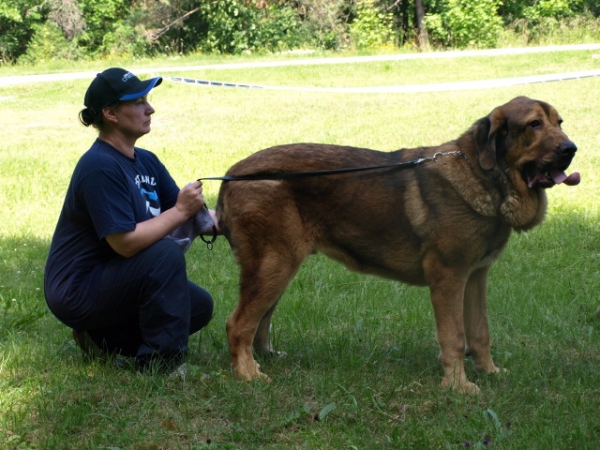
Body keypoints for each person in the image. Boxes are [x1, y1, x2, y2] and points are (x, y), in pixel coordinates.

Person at [44, 67, 216, 375]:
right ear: (110, 113)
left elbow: (195, 214)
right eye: (138, 102)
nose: (150, 108)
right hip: (78, 288)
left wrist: (246, 218)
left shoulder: (146, 161)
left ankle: (102, 339)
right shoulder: (99, 167)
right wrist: (179, 211)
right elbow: (125, 244)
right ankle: (162, 364)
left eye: (147, 100)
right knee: (164, 254)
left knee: (198, 306)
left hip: (112, 277)